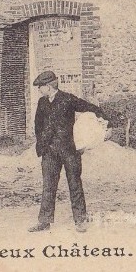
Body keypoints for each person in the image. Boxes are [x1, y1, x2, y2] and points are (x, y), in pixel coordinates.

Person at [29, 71, 107, 233]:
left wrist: (106, 122)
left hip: (69, 151)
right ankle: (44, 221)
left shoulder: (68, 99)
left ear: (49, 87)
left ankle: (80, 221)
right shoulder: (41, 103)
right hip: (49, 152)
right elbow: (38, 126)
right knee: (48, 186)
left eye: (41, 87)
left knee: (74, 183)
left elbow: (90, 108)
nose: (39, 90)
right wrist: (42, 145)